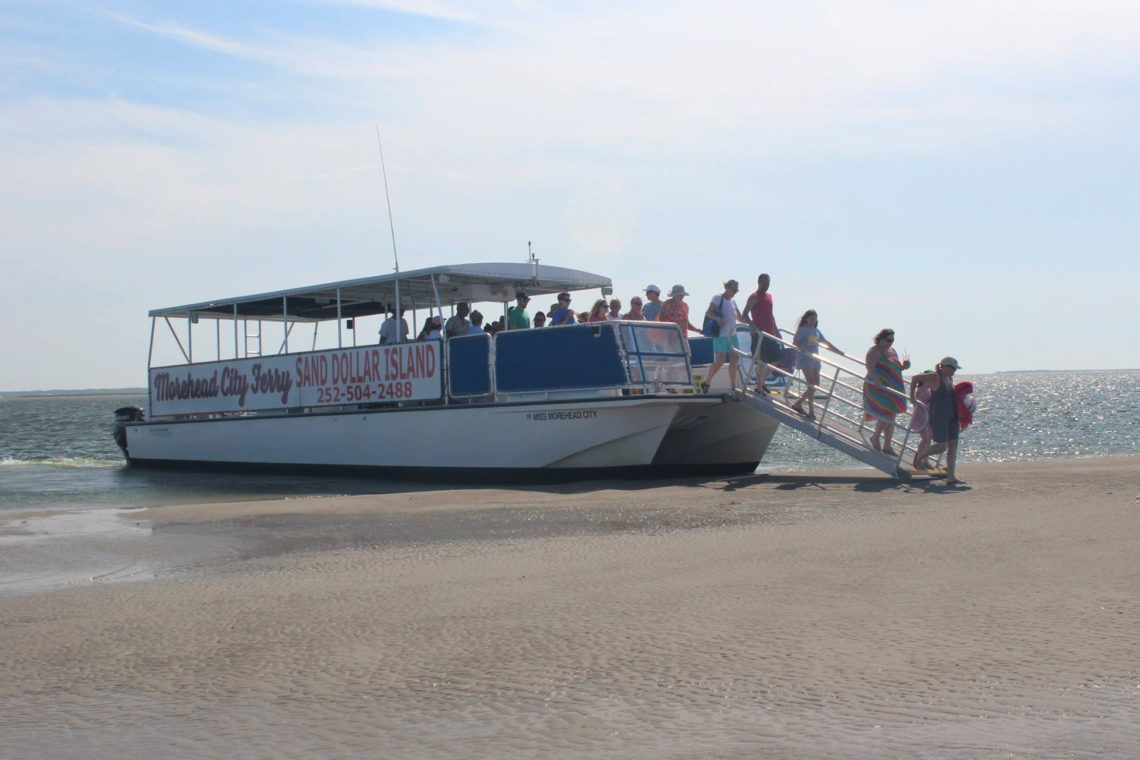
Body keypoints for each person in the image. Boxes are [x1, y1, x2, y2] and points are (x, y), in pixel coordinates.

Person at [912, 357, 965, 485]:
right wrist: (912, 398)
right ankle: (920, 456)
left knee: (953, 446)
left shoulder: (950, 379)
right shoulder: (935, 377)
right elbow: (915, 378)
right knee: (942, 446)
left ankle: (951, 477)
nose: (954, 372)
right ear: (945, 366)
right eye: (953, 369)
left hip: (952, 416)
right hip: (938, 416)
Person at [863, 328, 910, 456]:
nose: (891, 342)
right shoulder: (875, 350)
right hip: (878, 386)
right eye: (888, 340)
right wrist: (877, 380)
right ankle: (876, 436)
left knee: (891, 415)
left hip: (893, 386)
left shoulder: (892, 351)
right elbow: (869, 365)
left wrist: (904, 367)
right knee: (887, 413)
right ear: (881, 338)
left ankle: (887, 445)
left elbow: (895, 367)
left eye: (892, 340)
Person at [789, 309, 840, 419]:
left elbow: (825, 342)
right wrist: (801, 348)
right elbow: (795, 342)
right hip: (805, 360)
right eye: (811, 319)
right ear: (806, 319)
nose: (813, 321)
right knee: (811, 385)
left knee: (816, 385)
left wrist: (838, 351)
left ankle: (799, 403)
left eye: (815, 319)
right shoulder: (802, 330)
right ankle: (811, 411)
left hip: (815, 360)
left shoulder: (816, 331)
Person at [700, 280, 743, 392]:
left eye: (736, 291)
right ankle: (707, 382)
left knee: (735, 358)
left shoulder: (733, 301)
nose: (734, 292)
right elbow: (708, 312)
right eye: (733, 290)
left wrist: (753, 323)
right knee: (720, 360)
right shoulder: (718, 297)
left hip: (732, 334)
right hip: (720, 334)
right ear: (727, 287)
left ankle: (733, 386)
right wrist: (717, 319)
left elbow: (740, 317)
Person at [742, 273, 781, 394]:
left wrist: (777, 331)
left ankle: (761, 383)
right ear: (758, 282)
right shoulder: (753, 297)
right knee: (761, 361)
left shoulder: (769, 296)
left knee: (776, 359)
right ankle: (759, 386)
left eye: (767, 283)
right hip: (758, 335)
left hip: (770, 334)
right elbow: (744, 314)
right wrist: (752, 325)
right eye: (763, 283)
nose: (765, 286)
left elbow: (771, 315)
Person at [908, 369, 938, 468]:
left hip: (927, 417)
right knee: (925, 438)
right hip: (920, 417)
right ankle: (917, 459)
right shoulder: (920, 390)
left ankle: (926, 460)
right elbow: (917, 405)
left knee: (929, 438)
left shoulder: (929, 391)